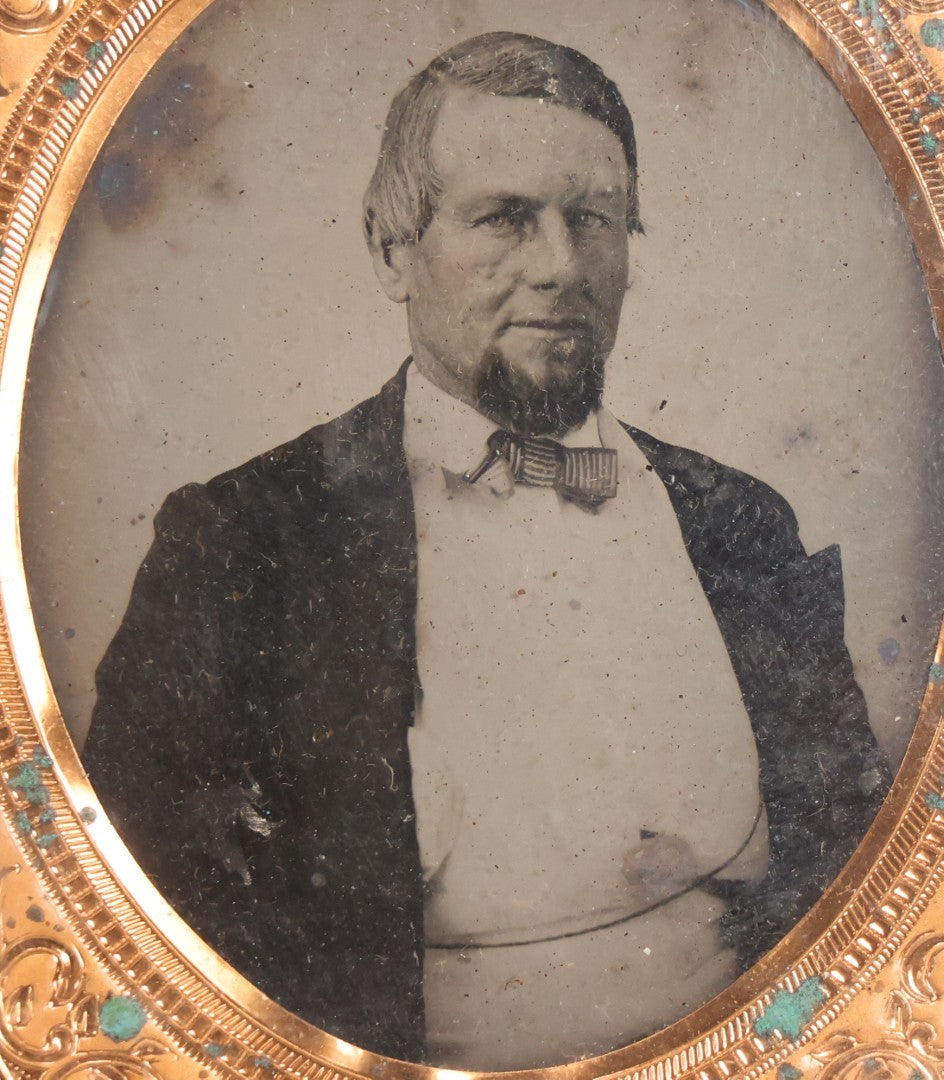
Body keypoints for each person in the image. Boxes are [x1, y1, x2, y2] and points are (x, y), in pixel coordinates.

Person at [83, 31, 890, 1070]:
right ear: (392, 252)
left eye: (592, 220)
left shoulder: (739, 521)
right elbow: (137, 919)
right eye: (503, 218)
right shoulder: (245, 539)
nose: (560, 267)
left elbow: (852, 866)